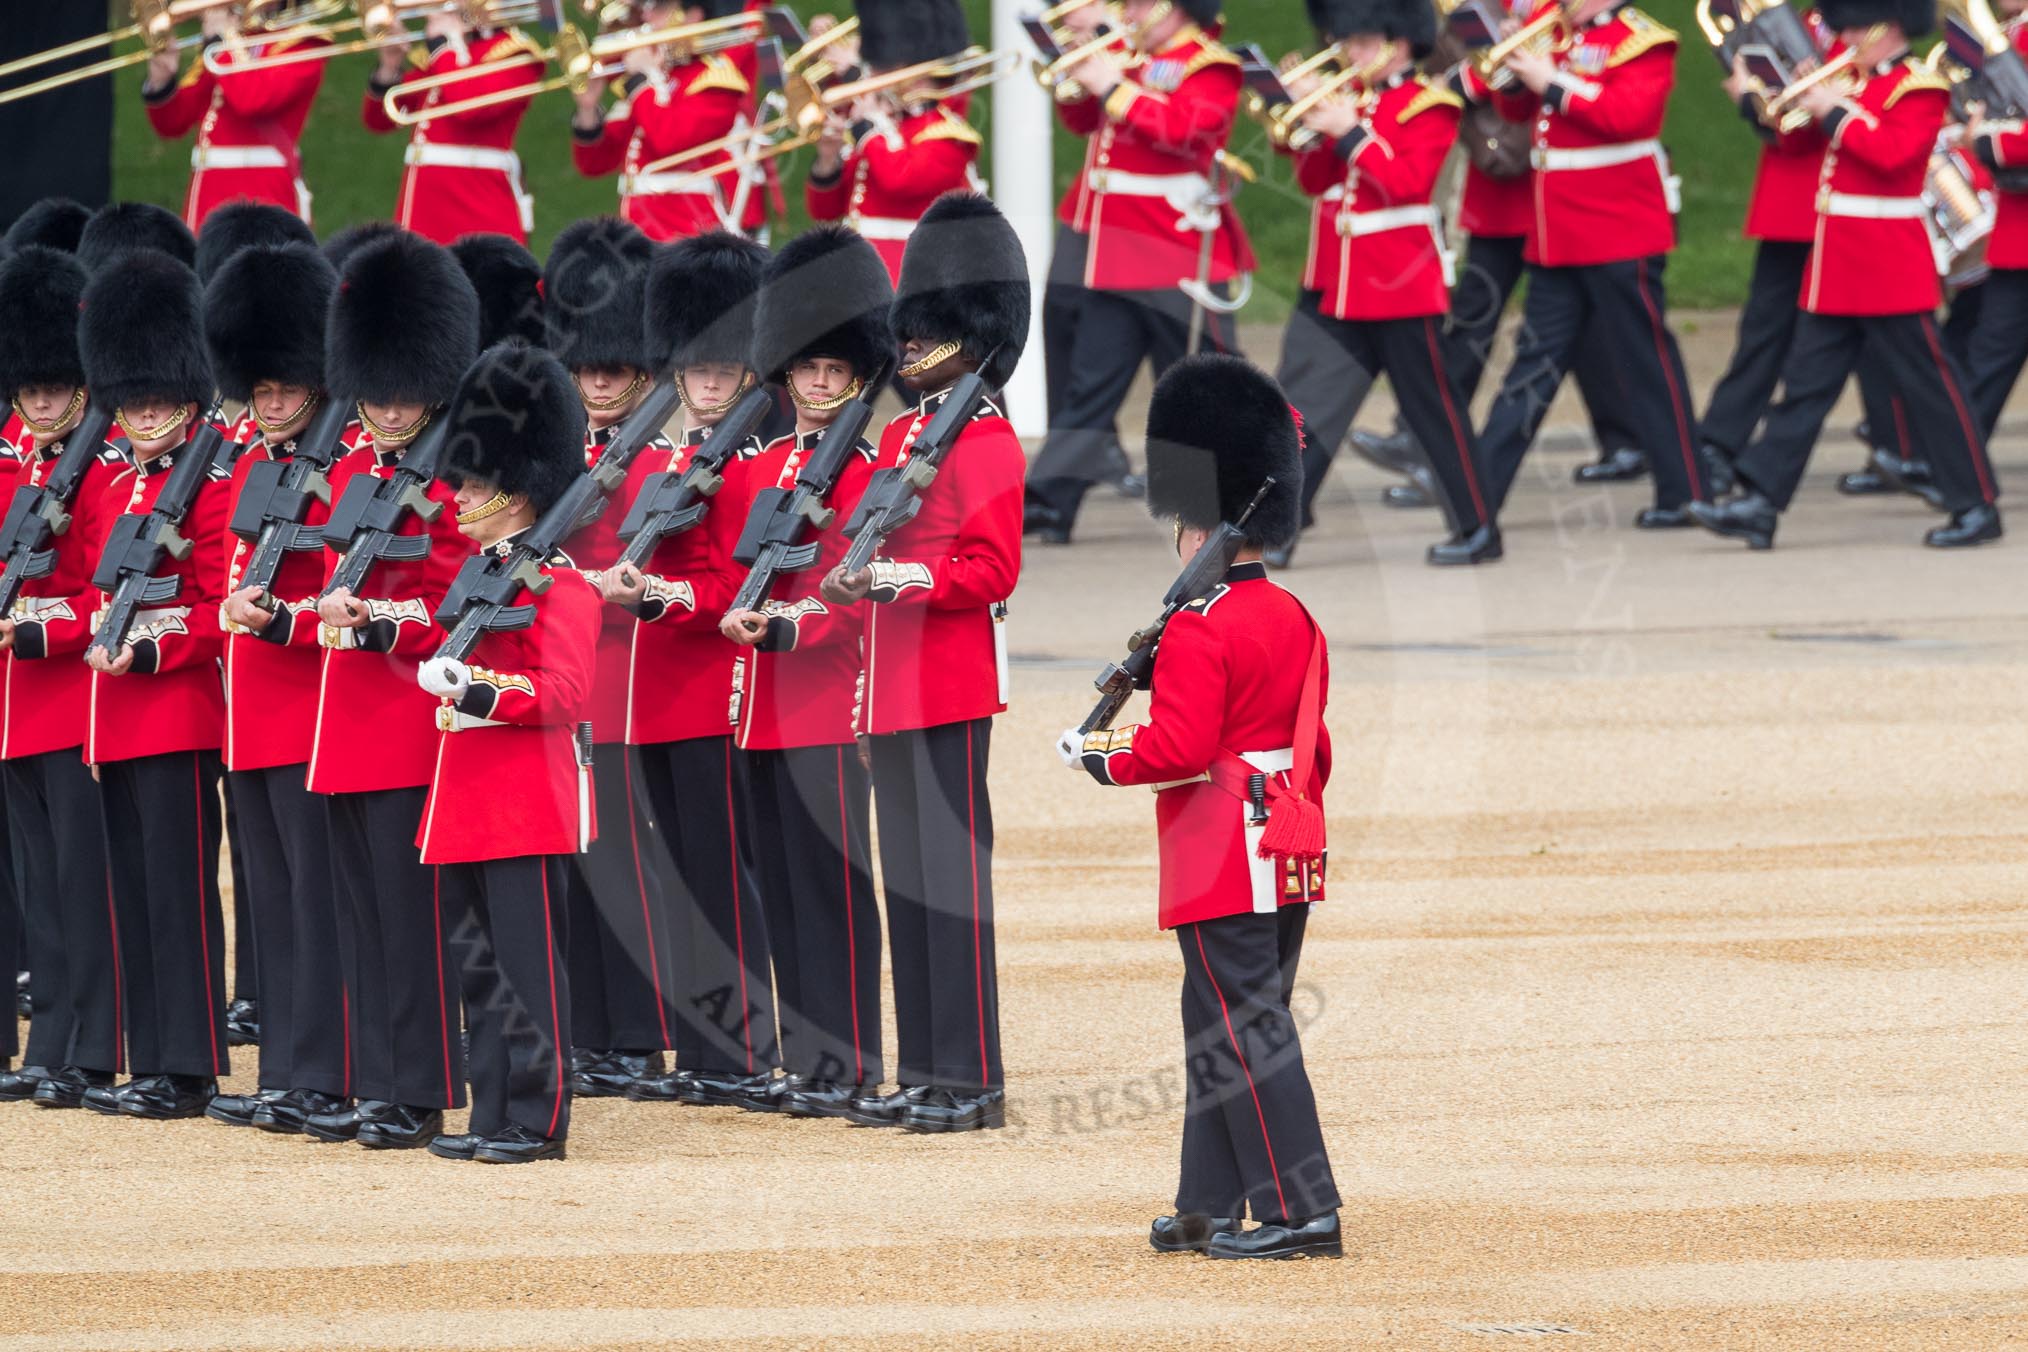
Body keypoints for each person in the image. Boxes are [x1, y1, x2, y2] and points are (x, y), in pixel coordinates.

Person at [1057, 353, 1341, 1260]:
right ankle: (1207, 1202)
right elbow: (1314, 744)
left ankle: (1303, 1211)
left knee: (1244, 1028)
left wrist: (1100, 755)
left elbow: (1177, 750)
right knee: (1221, 1024)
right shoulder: (1291, 613)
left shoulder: (1200, 627)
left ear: (1193, 527)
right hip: (1287, 840)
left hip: (1222, 849)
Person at [259, 233, 481, 1147]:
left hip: (404, 721)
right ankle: (375, 1079)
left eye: (402, 393)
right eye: (376, 391)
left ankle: (419, 1086)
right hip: (339, 725)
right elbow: (322, 592)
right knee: (360, 918)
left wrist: (377, 624)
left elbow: (458, 605)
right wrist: (278, 616)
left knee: (411, 918)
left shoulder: (457, 478)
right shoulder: (348, 469)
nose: (388, 409)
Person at [818, 192, 1024, 1132]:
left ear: (966, 337)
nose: (907, 351)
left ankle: (972, 1076)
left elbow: (990, 569)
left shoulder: (981, 437)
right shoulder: (902, 438)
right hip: (890, 689)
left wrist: (894, 575)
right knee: (910, 887)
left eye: (927, 334)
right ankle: (927, 1070)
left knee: (952, 888)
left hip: (948, 685)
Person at [1689, 0, 2003, 549]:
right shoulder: (1849, 78)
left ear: (1889, 27)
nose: (1846, 36)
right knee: (1805, 388)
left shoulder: (1918, 86)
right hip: (1837, 262)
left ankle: (1975, 504)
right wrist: (1770, 102)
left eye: (1856, 26)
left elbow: (1892, 155)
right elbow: (1796, 139)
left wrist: (1835, 109)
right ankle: (1762, 502)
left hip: (1888, 261)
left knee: (1931, 388)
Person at [719, 225, 891, 1117]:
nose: (820, 386)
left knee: (832, 892)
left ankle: (850, 1061)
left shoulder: (865, 475)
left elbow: (852, 593)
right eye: (807, 370)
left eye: (837, 373)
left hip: (823, 705)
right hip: (756, 706)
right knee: (779, 890)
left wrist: (786, 627)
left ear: (860, 378)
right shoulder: (757, 473)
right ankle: (802, 1053)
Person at [418, 341, 601, 1165]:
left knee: (527, 973)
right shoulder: (474, 577)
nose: (460, 496)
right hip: (464, 794)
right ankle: (492, 1110)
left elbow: (564, 694)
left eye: (475, 483)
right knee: (480, 974)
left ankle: (539, 1118)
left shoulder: (563, 585)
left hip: (525, 794)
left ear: (519, 489)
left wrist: (478, 688)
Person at [611, 230, 780, 1108]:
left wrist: (654, 597)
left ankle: (740, 1048)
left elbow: (727, 584)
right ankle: (699, 1040)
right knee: (678, 876)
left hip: (708, 693)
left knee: (719, 878)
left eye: (724, 372)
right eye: (698, 372)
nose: (710, 385)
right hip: (652, 698)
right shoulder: (676, 457)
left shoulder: (745, 469)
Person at [74, 250, 237, 1121]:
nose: (142, 414)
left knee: (179, 896)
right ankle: (150, 1053)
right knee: (131, 896)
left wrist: (151, 646)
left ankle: (191, 1063)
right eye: (131, 400)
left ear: (186, 398)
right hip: (113, 716)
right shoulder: (106, 483)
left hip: (175, 713)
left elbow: (214, 610)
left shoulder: (207, 490)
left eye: (158, 400)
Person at [1461, 0, 1707, 563]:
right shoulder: (1558, 36)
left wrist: (1549, 77)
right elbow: (1516, 112)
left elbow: (1626, 118)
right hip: (1559, 233)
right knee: (1531, 368)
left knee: (1646, 361)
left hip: (1619, 227)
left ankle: (1685, 489)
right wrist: (1516, 71)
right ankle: (1476, 502)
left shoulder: (1643, 41)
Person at [209, 242, 358, 1132]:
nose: (268, 405)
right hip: (253, 713)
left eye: (282, 392)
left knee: (317, 902)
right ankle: (289, 1071)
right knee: (271, 904)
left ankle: (328, 1072)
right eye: (258, 392)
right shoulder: (254, 464)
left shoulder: (336, 470)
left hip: (309, 710)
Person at [1267, 0, 1491, 569]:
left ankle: (1477, 525)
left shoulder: (1430, 103)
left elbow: (1405, 183)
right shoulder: (1354, 101)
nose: (1349, 52)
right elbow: (1318, 180)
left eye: (1362, 42)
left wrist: (1349, 133)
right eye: (1348, 41)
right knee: (1307, 406)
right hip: (1336, 278)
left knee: (1431, 411)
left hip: (1397, 282)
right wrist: (1307, 128)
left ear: (1397, 43)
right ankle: (1283, 522)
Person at [1024, 0, 1254, 545]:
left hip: (1176, 249)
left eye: (1141, 2)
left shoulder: (1209, 65)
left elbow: (1184, 131)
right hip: (1119, 249)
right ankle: (1049, 502)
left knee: (1202, 388)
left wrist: (1114, 87)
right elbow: (1085, 123)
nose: (1130, 10)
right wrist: (1085, 76)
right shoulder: (1128, 57)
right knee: (1090, 385)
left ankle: (1243, 498)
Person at [537, 215, 675, 1098]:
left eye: (614, 368)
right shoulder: (558, 452)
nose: (596, 381)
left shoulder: (662, 456)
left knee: (628, 861)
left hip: (634, 682)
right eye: (586, 366)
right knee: (573, 854)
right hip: (565, 682)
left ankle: (638, 1033)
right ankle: (588, 1025)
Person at [0, 245, 122, 1109]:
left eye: (54, 385)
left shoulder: (101, 469)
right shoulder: (17, 459)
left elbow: (101, 595)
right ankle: (49, 1038)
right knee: (40, 886)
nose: (40, 399)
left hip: (70, 698)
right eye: (28, 387)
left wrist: (35, 625)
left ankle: (91, 1040)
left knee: (84, 885)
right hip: (15, 705)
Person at [805, 0, 983, 284]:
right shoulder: (883, 126)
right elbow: (825, 212)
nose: (873, 73)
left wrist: (867, 127)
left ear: (918, 70)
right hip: (858, 275)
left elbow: (900, 180)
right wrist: (828, 160)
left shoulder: (948, 135)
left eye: (883, 65)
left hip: (916, 279)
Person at [571, 0, 770, 241]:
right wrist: (588, 110)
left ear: (693, 16)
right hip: (637, 232)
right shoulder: (653, 81)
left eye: (659, 8)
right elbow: (594, 163)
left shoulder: (714, 81)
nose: (646, 15)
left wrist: (640, 81)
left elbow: (669, 139)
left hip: (687, 231)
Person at [141, 2, 328, 230]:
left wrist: (222, 42)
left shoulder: (303, 44)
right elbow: (173, 123)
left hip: (261, 196)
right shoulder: (226, 45)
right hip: (206, 196)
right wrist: (162, 81)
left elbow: (253, 100)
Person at [362, 12, 543, 243]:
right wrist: (389, 65)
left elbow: (469, 108)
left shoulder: (514, 53)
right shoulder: (443, 54)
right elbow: (379, 120)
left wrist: (442, 48)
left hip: (475, 204)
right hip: (423, 206)